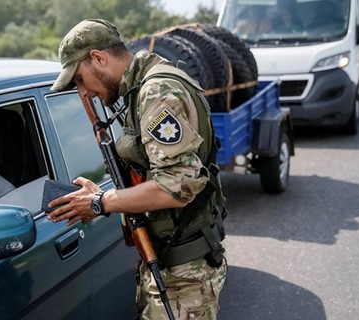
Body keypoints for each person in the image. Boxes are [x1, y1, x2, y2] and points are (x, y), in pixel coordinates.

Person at [47, 19, 227, 319]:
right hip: (169, 262)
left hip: (184, 273)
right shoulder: (138, 91)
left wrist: (101, 203)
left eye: (79, 79)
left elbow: (177, 184)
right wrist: (106, 193)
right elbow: (152, 173)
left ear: (98, 58)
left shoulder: (156, 93)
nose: (83, 93)